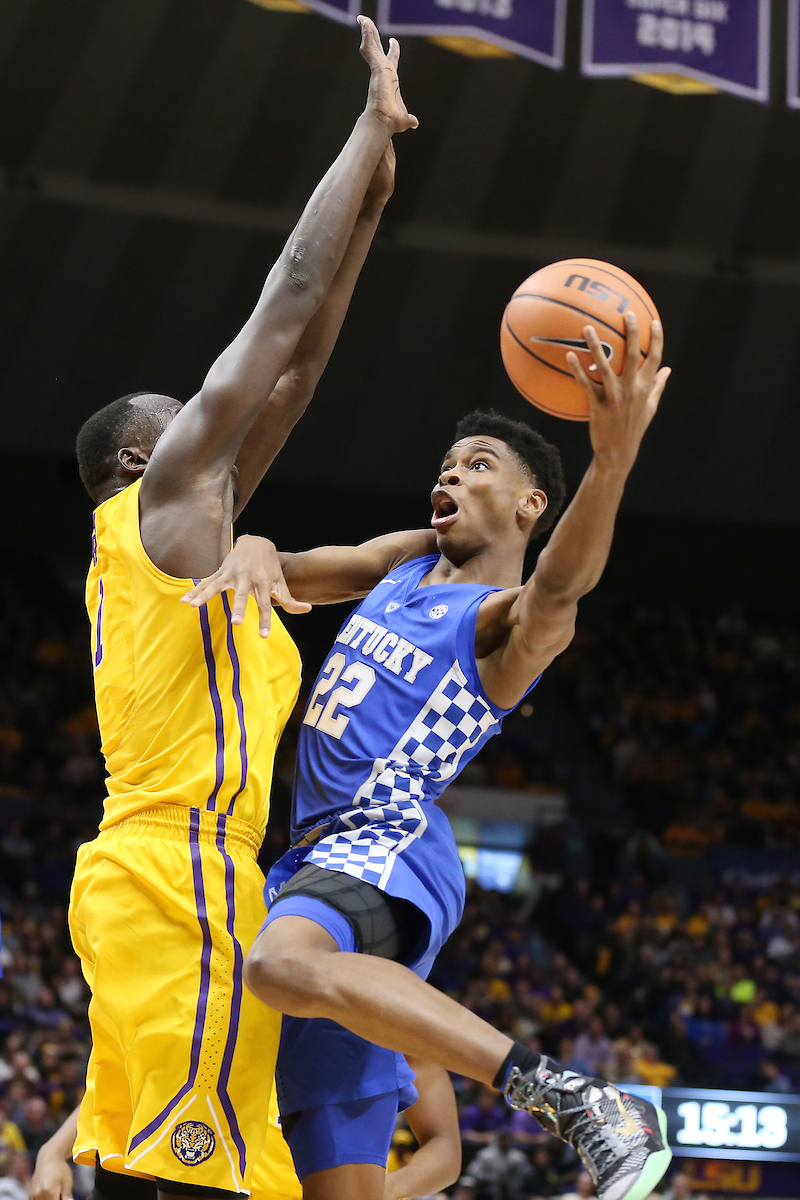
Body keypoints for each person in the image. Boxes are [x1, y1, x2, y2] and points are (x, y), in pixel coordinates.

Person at [185, 313, 673, 1200]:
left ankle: (573, 1098)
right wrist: (254, 546)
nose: (450, 472)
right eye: (447, 464)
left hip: (386, 842)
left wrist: (611, 463)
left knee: (278, 966)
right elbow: (282, 567)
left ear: (531, 506)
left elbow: (560, 585)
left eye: (479, 464)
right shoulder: (402, 566)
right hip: (314, 864)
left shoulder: (500, 626)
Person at [68, 18, 418, 1200]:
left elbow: (297, 370)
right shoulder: (164, 499)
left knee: (181, 1167)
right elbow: (285, 300)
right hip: (180, 871)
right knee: (199, 1180)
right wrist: (363, 128)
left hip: (157, 873)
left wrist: (371, 204)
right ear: (139, 457)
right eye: (186, 417)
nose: (211, 424)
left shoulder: (175, 547)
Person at [30, 1061, 460, 1200]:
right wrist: (53, 1151)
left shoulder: (393, 1011)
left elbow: (444, 1147)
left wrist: (379, 1193)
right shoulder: (247, 980)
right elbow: (146, 1073)